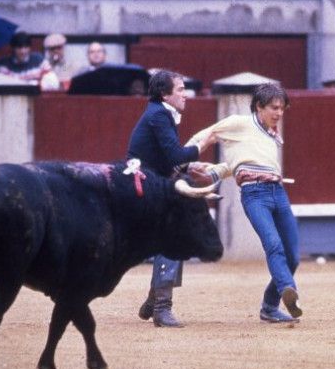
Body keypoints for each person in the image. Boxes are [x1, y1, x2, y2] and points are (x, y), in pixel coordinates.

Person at [184, 83, 303, 323]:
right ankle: (288, 290)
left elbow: (237, 163)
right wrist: (185, 159)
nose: (279, 113)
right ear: (259, 106)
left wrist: (217, 172)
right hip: (255, 195)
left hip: (278, 193)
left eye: (282, 109)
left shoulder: (270, 133)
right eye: (274, 108)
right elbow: (208, 135)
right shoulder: (239, 122)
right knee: (273, 244)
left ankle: (269, 308)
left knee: (292, 256)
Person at [127, 69, 216, 328]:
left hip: (149, 181)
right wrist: (203, 145)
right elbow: (175, 155)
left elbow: (165, 156)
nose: (185, 94)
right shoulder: (160, 114)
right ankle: (161, 306)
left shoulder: (160, 113)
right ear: (165, 94)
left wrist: (189, 168)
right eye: (179, 89)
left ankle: (156, 300)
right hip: (144, 184)